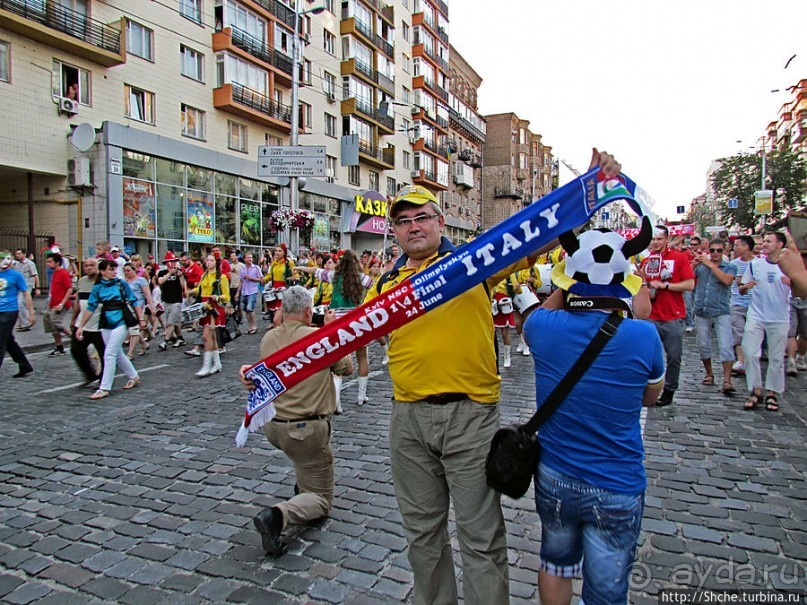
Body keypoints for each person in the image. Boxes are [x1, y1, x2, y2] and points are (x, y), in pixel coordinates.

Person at [363, 150, 620, 605]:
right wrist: (272, 370)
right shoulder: (383, 285)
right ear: (394, 231)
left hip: (470, 417)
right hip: (408, 421)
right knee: (422, 538)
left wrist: (588, 187)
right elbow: (340, 342)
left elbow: (534, 237)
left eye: (422, 217)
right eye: (403, 221)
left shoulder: (473, 264)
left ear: (440, 223)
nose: (413, 227)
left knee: (481, 536)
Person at [524, 222, 664, 605]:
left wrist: (567, 280)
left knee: (556, 565)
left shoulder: (541, 327)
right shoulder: (645, 336)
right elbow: (650, 398)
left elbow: (549, 304)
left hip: (555, 476)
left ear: (570, 278)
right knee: (606, 590)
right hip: (616, 482)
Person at [241, 286, 353, 555]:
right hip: (306, 430)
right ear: (307, 311)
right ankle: (278, 517)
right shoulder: (320, 338)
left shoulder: (268, 339)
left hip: (275, 427)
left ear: (281, 309)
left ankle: (304, 488)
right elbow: (346, 368)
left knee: (305, 464)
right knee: (322, 500)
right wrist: (332, 331)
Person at [297, 250, 374, 409]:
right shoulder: (362, 278)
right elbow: (376, 286)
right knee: (362, 356)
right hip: (356, 319)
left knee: (339, 358)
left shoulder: (334, 276)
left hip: (336, 320)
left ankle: (337, 400)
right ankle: (361, 395)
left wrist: (299, 268)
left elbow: (315, 271)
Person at [641, 225, 695, 407]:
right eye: (653, 239)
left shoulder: (679, 258)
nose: (656, 243)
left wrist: (666, 286)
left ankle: (669, 390)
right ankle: (647, 388)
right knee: (646, 355)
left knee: (674, 356)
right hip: (651, 315)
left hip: (673, 315)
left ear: (666, 240)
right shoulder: (645, 261)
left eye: (659, 239)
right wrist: (645, 290)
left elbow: (689, 284)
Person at [76, 259, 145, 399]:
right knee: (117, 352)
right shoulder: (98, 287)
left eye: (114, 269)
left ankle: (104, 387)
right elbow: (91, 308)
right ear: (102, 271)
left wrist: (141, 319)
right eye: (110, 269)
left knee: (109, 353)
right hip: (105, 322)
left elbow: (133, 300)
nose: (114, 272)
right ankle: (134, 376)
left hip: (121, 320)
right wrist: (81, 326)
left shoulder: (121, 283)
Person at [740, 232, 792, 412]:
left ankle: (772, 392)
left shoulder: (788, 267)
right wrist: (744, 288)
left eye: (768, 242)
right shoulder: (755, 265)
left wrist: (793, 283)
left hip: (779, 317)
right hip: (756, 315)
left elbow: (801, 289)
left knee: (776, 357)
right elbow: (742, 288)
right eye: (763, 241)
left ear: (779, 245)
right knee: (749, 351)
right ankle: (755, 389)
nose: (763, 244)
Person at [692, 239, 737, 395]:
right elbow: (689, 278)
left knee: (726, 346)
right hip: (702, 310)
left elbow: (726, 281)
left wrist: (710, 265)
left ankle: (727, 380)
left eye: (719, 250)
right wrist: (694, 264)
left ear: (724, 251)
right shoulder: (702, 267)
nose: (715, 253)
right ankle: (709, 373)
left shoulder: (730, 267)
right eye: (712, 250)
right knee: (703, 345)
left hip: (720, 311)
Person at [190, 254, 230, 377]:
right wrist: (192, 291)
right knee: (212, 337)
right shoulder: (204, 276)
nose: (208, 262)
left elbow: (226, 296)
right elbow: (201, 290)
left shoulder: (221, 278)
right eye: (207, 260)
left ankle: (206, 365)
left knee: (206, 336)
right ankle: (217, 363)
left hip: (214, 309)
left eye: (211, 260)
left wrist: (217, 297)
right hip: (204, 307)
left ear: (216, 263)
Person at [70, 257, 105, 386]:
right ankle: (90, 374)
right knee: (76, 350)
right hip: (83, 324)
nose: (89, 268)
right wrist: (73, 319)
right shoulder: (82, 282)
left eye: (92, 265)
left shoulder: (103, 282)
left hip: (99, 325)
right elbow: (78, 302)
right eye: (86, 265)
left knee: (104, 353)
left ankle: (104, 379)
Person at [0, 250, 36, 377]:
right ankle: (25, 365)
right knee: (8, 340)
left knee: (1, 339)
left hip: (9, 310)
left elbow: (26, 293)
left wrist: (31, 313)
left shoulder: (16, 275)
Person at [728, 236, 756, 375]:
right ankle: (741, 361)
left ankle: (751, 359)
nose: (735, 248)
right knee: (738, 332)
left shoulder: (758, 263)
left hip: (755, 304)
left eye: (738, 245)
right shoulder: (733, 264)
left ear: (746, 246)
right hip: (736, 303)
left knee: (752, 334)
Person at [44, 252, 74, 357]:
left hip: (62, 304)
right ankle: (59, 347)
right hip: (53, 303)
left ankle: (76, 339)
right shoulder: (54, 273)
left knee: (56, 323)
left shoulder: (63, 273)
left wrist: (62, 303)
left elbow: (69, 289)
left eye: (50, 262)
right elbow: (53, 290)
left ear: (57, 262)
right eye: (47, 261)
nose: (48, 264)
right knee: (53, 326)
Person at [123, 263, 154, 358]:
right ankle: (144, 344)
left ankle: (130, 353)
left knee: (134, 329)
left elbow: (147, 294)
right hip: (127, 308)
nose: (126, 272)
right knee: (132, 329)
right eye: (124, 271)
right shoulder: (124, 281)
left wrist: (152, 307)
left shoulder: (141, 280)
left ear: (134, 270)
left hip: (138, 307)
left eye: (128, 270)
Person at [156, 252, 187, 350]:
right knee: (174, 322)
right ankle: (180, 338)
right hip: (166, 300)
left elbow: (182, 286)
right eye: (171, 261)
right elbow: (160, 281)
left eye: (174, 261)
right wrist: (169, 273)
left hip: (176, 300)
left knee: (171, 322)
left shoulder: (179, 273)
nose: (173, 263)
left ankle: (165, 342)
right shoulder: (162, 273)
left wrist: (181, 276)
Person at [13, 249, 39, 331]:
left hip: (27, 286)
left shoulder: (30, 264)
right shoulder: (17, 264)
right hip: (18, 287)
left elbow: (35, 276)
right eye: (16, 254)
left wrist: (37, 288)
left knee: (20, 303)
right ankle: (25, 321)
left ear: (24, 254)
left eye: (19, 254)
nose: (17, 255)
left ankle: (26, 322)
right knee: (20, 304)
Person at [238, 253, 263, 335]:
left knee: (250, 309)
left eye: (251, 257)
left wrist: (250, 278)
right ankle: (250, 326)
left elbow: (261, 280)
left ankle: (254, 326)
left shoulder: (256, 268)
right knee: (246, 310)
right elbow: (241, 281)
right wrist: (238, 292)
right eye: (248, 257)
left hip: (252, 291)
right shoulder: (243, 269)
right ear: (244, 259)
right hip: (244, 291)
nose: (250, 259)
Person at [229, 251, 245, 325]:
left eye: (233, 256)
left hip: (238, 286)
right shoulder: (230, 266)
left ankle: (240, 318)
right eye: (231, 256)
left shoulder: (241, 265)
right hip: (231, 286)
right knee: (232, 303)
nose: (232, 257)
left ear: (236, 257)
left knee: (237, 303)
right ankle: (234, 317)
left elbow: (244, 276)